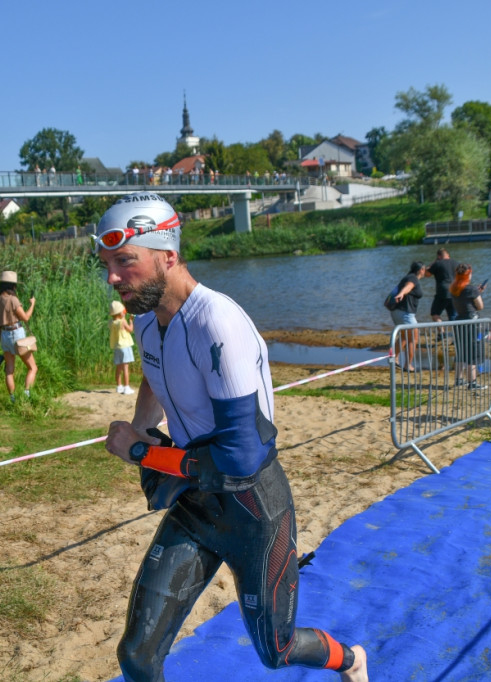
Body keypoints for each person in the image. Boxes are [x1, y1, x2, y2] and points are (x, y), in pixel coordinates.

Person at [96, 192, 368, 682]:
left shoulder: (217, 323)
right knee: (136, 657)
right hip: (196, 506)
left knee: (276, 650)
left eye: (124, 262)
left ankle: (351, 661)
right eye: (107, 264)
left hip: (253, 509)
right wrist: (141, 425)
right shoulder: (144, 320)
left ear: (168, 256)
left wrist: (141, 451)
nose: (113, 278)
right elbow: (156, 375)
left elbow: (239, 460)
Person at [0, 271, 37, 402]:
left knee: (9, 370)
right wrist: (32, 303)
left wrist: (2, 340)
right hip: (16, 334)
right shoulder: (13, 300)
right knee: (33, 367)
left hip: (3, 335)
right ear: (13, 286)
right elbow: (26, 318)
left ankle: (13, 399)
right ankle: (27, 395)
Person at [449, 264, 486, 389]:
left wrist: (476, 292)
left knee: (461, 352)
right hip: (471, 322)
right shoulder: (471, 289)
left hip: (459, 321)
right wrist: (478, 294)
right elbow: (480, 306)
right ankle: (472, 382)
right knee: (473, 352)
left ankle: (459, 379)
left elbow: (464, 301)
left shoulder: (453, 288)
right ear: (468, 274)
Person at [390, 261, 426, 371]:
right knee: (413, 338)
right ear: (421, 270)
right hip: (405, 314)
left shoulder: (408, 276)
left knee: (404, 337)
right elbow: (408, 287)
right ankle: (408, 365)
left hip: (397, 312)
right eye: (424, 269)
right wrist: (402, 293)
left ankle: (394, 359)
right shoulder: (413, 279)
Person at [108, 300, 135, 395]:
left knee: (118, 368)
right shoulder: (123, 322)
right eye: (124, 312)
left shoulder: (111, 322)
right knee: (125, 368)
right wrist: (131, 321)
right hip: (125, 346)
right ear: (120, 313)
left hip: (117, 347)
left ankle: (119, 386)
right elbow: (130, 329)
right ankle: (126, 387)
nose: (125, 313)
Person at [425, 249, 458, 322]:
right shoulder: (456, 263)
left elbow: (426, 274)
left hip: (443, 292)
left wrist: (433, 262)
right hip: (455, 292)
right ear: (448, 255)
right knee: (453, 315)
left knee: (435, 313)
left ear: (439, 256)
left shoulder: (437, 263)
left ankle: (442, 333)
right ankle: (458, 333)